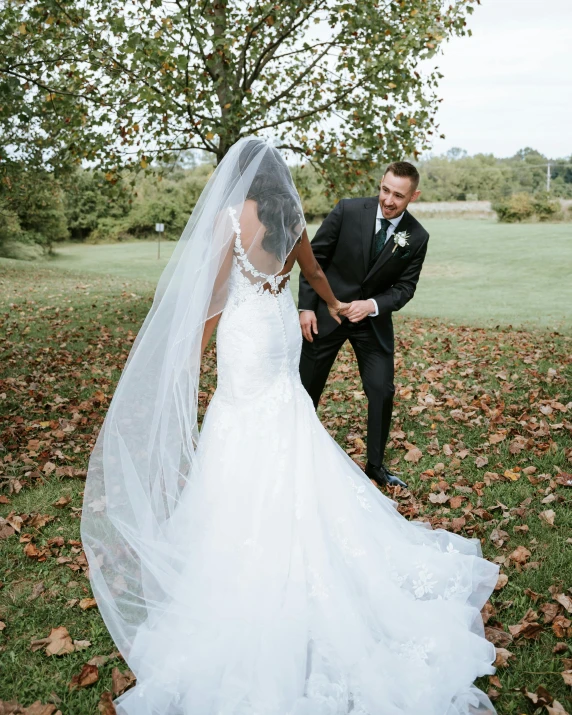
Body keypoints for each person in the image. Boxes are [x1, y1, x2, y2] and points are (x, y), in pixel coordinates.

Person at [81, 138, 499, 715]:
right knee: (286, 416)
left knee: (237, 419)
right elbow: (316, 272)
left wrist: (190, 358)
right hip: (276, 339)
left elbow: (213, 299)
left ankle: (241, 529)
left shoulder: (232, 219)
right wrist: (327, 304)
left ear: (245, 185)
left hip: (248, 340)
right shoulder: (294, 220)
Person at [299, 163, 428, 489]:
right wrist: (306, 307)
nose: (388, 200)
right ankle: (296, 451)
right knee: (306, 388)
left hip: (371, 324)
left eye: (398, 195)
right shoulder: (348, 210)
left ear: (414, 195)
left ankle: (375, 465)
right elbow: (315, 259)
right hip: (327, 313)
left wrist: (371, 306)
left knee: (382, 390)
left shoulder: (417, 236)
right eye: (385, 190)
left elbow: (405, 288)